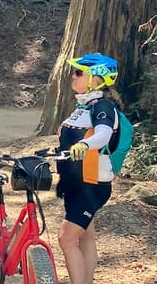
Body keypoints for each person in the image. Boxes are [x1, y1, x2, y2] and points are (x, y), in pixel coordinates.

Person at [56, 53, 118, 284]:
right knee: (86, 236)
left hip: (91, 184)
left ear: (96, 79)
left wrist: (84, 144)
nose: (74, 76)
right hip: (75, 182)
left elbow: (103, 135)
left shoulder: (103, 107)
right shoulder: (83, 107)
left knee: (66, 239)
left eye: (79, 72)